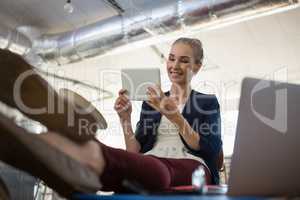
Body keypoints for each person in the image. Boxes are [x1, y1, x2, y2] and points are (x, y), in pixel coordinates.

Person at [0, 37, 221, 198]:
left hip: (194, 167)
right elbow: (134, 151)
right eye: (171, 58)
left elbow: (210, 150)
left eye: (183, 60)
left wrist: (175, 117)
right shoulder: (151, 102)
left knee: (159, 172)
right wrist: (125, 119)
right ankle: (64, 145)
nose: (174, 66)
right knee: (140, 170)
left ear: (197, 67)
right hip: (150, 160)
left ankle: (80, 140)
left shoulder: (206, 102)